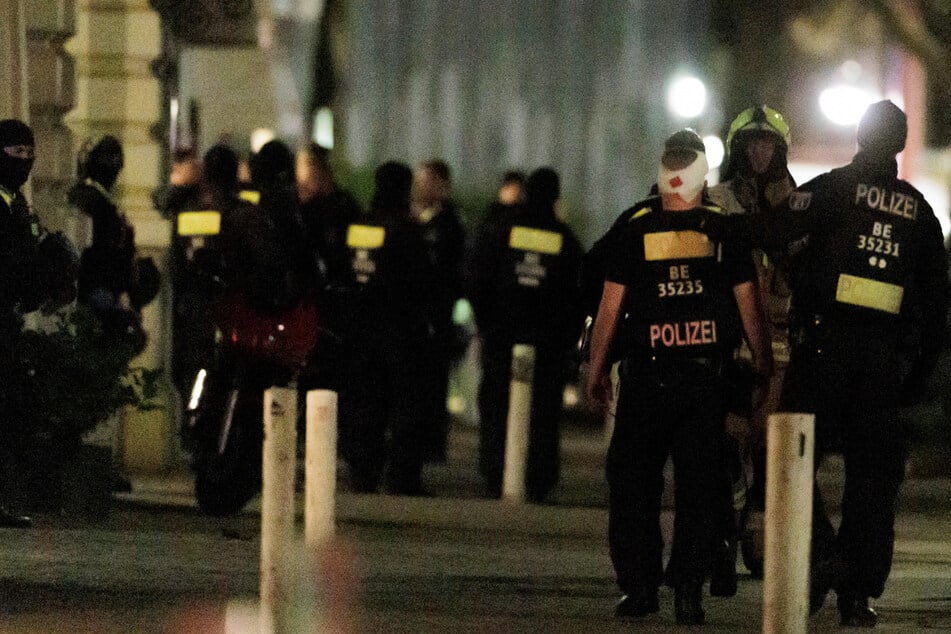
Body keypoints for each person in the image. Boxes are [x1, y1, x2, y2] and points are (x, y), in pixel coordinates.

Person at [762, 100, 947, 627]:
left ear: (862, 136)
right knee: (873, 478)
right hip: (881, 365)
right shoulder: (920, 211)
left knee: (788, 459)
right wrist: (914, 378)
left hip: (821, 350)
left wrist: (796, 271)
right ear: (901, 144)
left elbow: (772, 233)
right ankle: (856, 591)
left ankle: (821, 560)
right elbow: (937, 307)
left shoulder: (832, 188)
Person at [585, 130, 772, 626]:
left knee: (633, 486)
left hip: (651, 381)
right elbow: (749, 305)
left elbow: (610, 307)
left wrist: (597, 368)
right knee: (696, 489)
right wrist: (763, 368)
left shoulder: (637, 226)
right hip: (700, 383)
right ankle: (685, 590)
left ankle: (641, 588)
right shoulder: (723, 230)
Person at [707, 105, 796, 581]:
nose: (759, 152)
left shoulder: (802, 203)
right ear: (738, 149)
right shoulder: (716, 200)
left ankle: (759, 536)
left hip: (780, 347)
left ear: (780, 151)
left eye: (768, 144)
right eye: (751, 144)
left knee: (769, 452)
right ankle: (721, 536)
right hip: (725, 341)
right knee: (723, 446)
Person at [467, 167, 583, 502]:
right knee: (543, 413)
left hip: (502, 337)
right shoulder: (564, 239)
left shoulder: (501, 231)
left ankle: (494, 470)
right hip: (547, 344)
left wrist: (487, 323)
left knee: (497, 405)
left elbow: (477, 277)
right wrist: (565, 336)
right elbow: (578, 293)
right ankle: (538, 477)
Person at [338, 161, 437, 495]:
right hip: (400, 332)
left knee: (364, 403)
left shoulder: (356, 227)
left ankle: (363, 471)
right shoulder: (408, 231)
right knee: (405, 406)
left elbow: (341, 274)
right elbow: (424, 283)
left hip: (358, 329)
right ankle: (402, 477)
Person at [0, 119, 77, 526]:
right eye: (16, 153)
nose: (25, 162)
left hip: (9, 320)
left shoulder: (17, 202)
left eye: (30, 154)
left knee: (16, 409)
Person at [411, 160, 466, 462]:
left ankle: (432, 443)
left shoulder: (450, 224)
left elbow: (454, 271)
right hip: (418, 314)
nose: (421, 188)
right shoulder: (417, 219)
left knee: (434, 382)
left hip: (438, 313)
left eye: (427, 182)